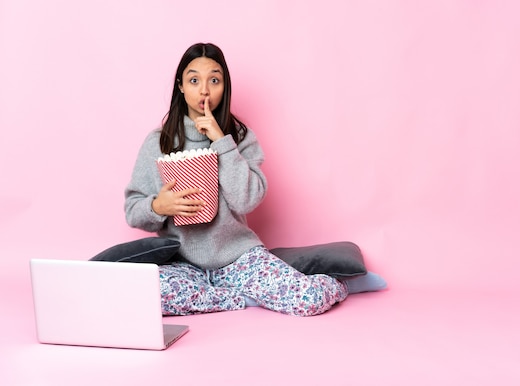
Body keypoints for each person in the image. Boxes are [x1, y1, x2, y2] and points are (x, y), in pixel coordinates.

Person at [125, 42, 385, 317]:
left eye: (214, 80)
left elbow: (246, 200)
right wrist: (157, 207)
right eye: (193, 80)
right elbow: (133, 211)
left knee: (307, 300)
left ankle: (343, 283)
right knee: (143, 297)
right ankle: (243, 299)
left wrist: (221, 142)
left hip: (239, 259)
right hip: (183, 266)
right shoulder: (158, 142)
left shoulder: (239, 137)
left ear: (225, 87)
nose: (204, 90)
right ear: (180, 86)